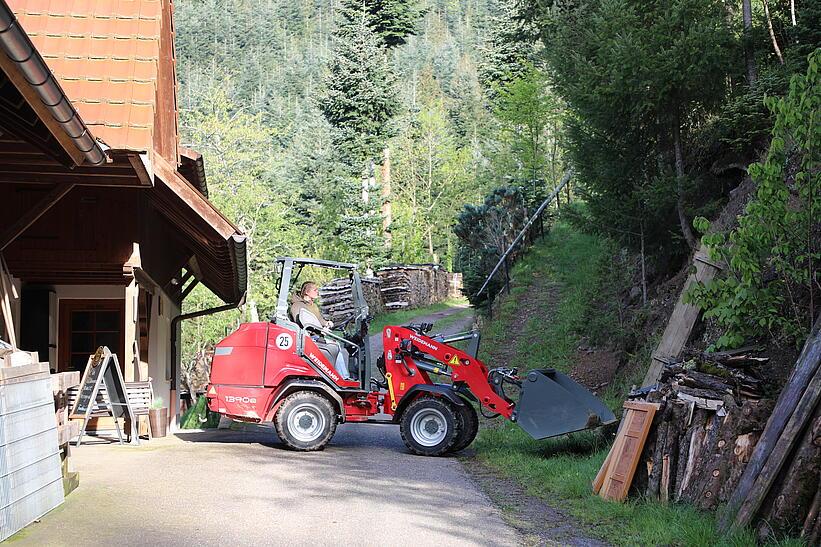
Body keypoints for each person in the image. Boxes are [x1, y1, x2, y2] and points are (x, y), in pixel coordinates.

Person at [290, 281, 352, 380]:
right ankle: (343, 378)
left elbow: (319, 320)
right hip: (309, 340)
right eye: (315, 290)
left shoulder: (312, 305)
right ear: (306, 291)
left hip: (316, 336)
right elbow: (304, 324)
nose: (317, 292)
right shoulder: (297, 306)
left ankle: (338, 376)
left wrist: (326, 323)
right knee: (336, 346)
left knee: (336, 345)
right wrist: (320, 330)